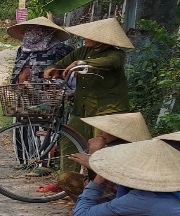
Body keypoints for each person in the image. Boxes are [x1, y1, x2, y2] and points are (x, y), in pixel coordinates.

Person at [38, 17, 134, 194]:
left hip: (107, 109)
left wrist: (82, 64)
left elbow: (109, 63)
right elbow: (60, 64)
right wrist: (51, 70)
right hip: (82, 107)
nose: (85, 39)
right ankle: (66, 183)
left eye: (89, 36)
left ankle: (100, 189)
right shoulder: (81, 51)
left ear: (101, 38)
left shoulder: (116, 54)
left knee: (99, 149)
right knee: (68, 141)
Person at [62, 111, 151, 199]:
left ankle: (90, 208)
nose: (101, 132)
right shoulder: (111, 146)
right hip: (105, 187)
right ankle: (85, 206)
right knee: (67, 178)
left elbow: (102, 182)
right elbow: (90, 180)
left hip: (125, 195)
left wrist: (93, 155)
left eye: (106, 130)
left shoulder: (132, 151)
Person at [6, 16, 72, 84]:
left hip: (48, 90)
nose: (32, 33)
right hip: (21, 89)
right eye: (29, 30)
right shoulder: (22, 49)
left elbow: (69, 70)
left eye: (38, 30)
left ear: (47, 32)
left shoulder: (60, 48)